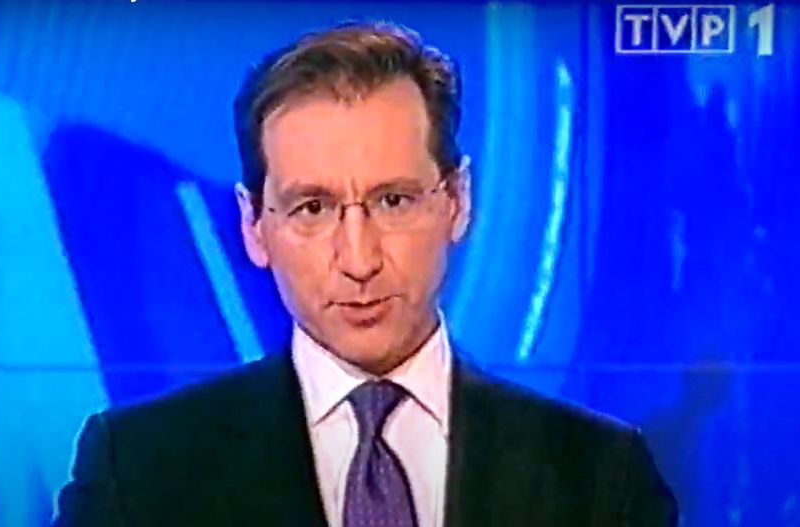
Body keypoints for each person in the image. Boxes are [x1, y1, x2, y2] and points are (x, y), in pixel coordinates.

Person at [53, 21, 677, 527]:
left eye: (394, 201)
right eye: (313, 208)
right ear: (253, 225)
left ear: (457, 200)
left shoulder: (601, 476)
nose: (358, 260)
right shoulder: (139, 471)